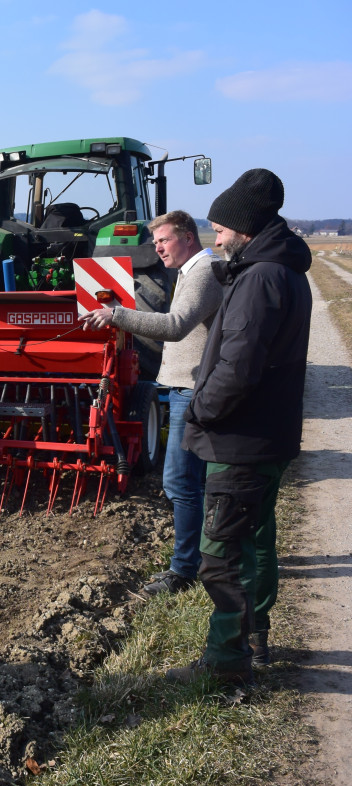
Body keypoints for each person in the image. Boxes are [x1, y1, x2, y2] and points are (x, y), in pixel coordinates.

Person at [167, 168, 312, 685]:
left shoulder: (260, 278)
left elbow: (237, 366)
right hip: (266, 435)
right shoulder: (284, 270)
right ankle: (255, 639)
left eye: (222, 227)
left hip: (242, 438)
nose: (216, 237)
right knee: (253, 543)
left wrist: (200, 409)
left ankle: (228, 668)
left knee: (220, 557)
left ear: (245, 227)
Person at [81, 210, 222, 596]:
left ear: (188, 238)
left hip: (192, 390)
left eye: (163, 240)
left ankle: (184, 570)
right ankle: (200, 559)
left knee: (181, 481)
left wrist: (117, 315)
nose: (157, 248)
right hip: (183, 388)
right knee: (189, 481)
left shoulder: (204, 271)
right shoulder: (190, 271)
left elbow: (176, 326)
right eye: (155, 242)